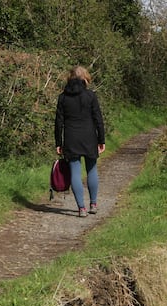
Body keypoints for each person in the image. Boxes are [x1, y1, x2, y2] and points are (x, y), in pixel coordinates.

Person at [54, 66, 105, 217]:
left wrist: (58, 142)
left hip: (71, 138)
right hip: (89, 137)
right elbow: (98, 119)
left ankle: (81, 208)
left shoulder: (62, 97)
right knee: (92, 170)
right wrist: (101, 139)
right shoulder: (90, 96)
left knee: (75, 172)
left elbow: (58, 122)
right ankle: (93, 204)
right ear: (85, 78)